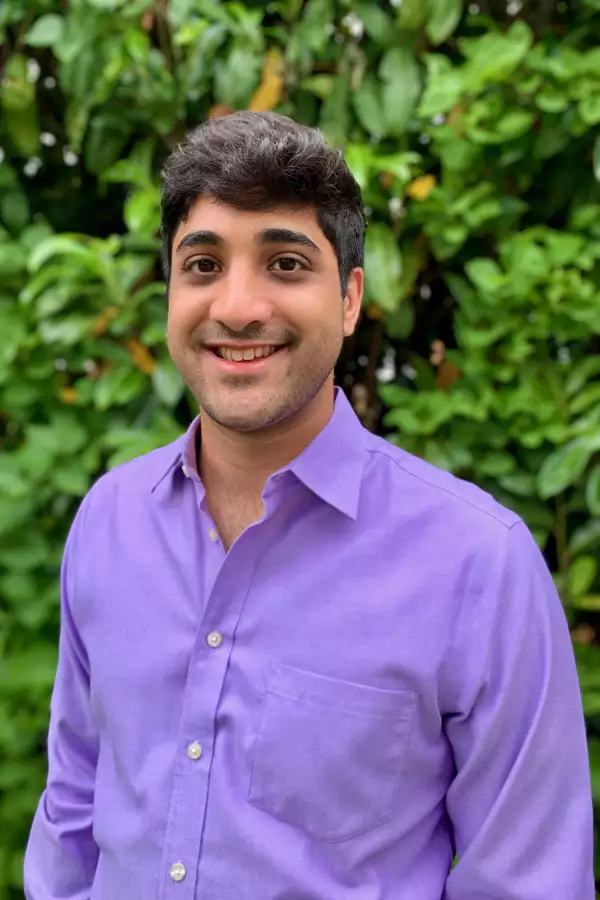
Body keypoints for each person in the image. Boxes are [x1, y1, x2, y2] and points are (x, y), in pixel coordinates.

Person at [24, 111, 594, 900]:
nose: (238, 306)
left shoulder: (478, 565)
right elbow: (74, 807)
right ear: (170, 292)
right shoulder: (108, 522)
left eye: (286, 264)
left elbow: (531, 881)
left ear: (351, 299)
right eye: (203, 265)